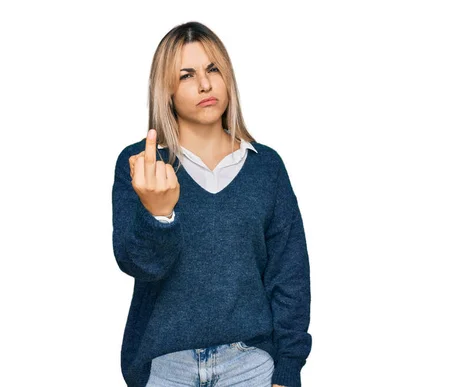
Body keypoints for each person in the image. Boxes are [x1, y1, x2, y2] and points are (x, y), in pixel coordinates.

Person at [112, 21, 312, 387]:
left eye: (213, 69)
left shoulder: (266, 167)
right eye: (186, 75)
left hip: (249, 364)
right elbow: (137, 263)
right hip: (166, 366)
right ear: (166, 90)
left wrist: (288, 368)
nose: (205, 84)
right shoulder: (142, 166)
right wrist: (159, 214)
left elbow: (290, 275)